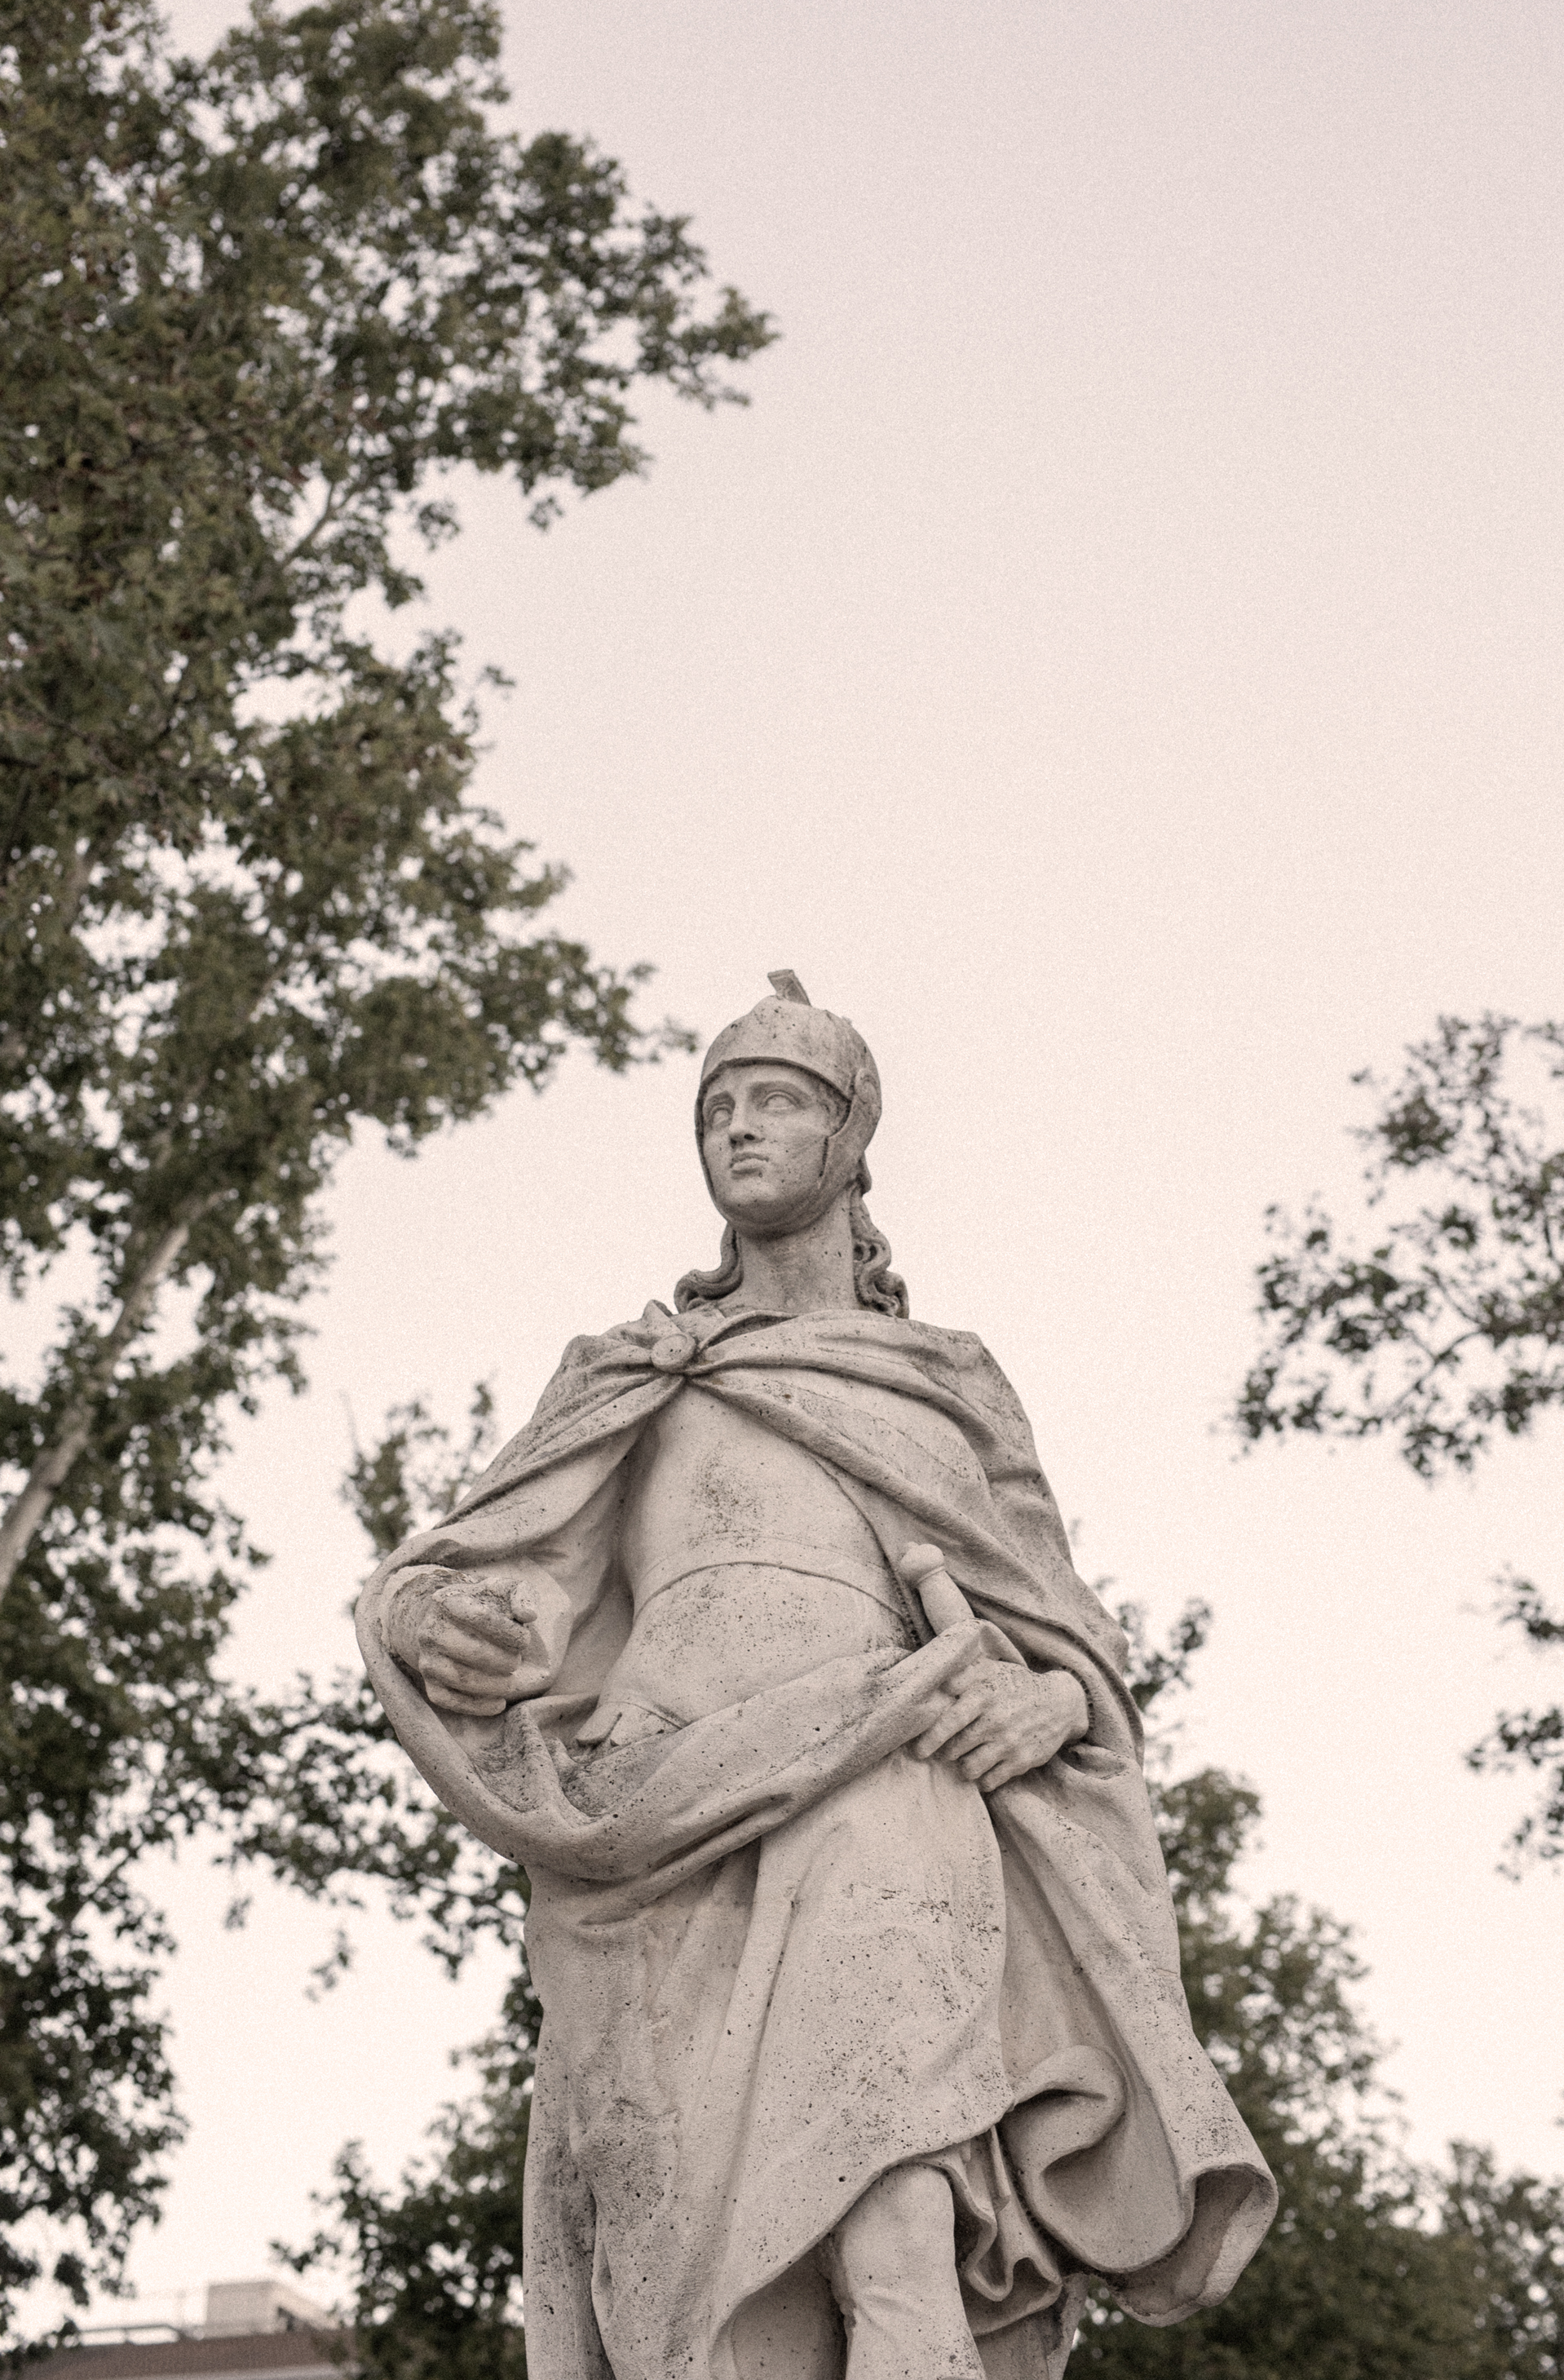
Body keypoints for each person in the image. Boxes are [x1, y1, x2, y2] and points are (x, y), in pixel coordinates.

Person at [356, 975, 1275, 2380]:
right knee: (683, 2262)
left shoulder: (943, 1380)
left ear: (851, 1142)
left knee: (895, 2193)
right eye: (715, 1108)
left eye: (776, 1101)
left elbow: (1062, 1626)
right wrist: (436, 1623)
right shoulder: (634, 1373)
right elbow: (493, 1572)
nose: (737, 1128)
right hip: (655, 1816)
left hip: (888, 1772)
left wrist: (1054, 1701)